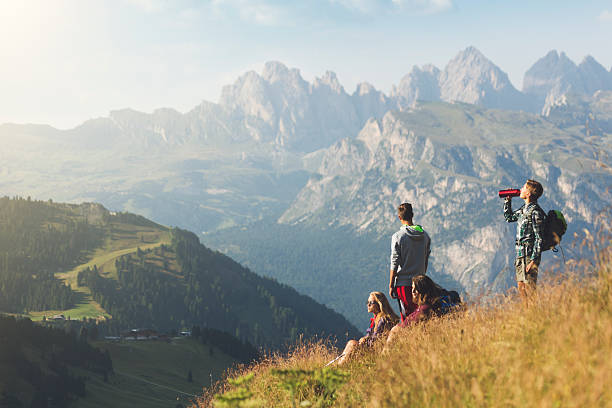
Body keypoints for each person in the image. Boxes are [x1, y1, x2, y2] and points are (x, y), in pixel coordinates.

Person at [503, 179, 545, 299]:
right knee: (521, 288)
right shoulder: (524, 209)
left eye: (524, 188)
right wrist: (508, 201)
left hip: (529, 255)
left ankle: (534, 313)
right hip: (520, 254)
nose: (520, 190)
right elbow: (509, 217)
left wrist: (533, 261)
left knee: (530, 289)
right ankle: (526, 314)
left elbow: (539, 238)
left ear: (528, 194)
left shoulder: (535, 212)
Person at [389, 203, 431, 322]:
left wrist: (391, 284)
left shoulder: (398, 236)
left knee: (407, 319)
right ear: (412, 215)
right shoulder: (425, 236)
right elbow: (426, 259)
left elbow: (394, 261)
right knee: (421, 316)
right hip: (421, 284)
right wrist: (421, 277)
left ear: (399, 217)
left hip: (403, 284)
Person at [336, 291, 399, 365]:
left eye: (371, 302)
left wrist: (364, 341)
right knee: (352, 343)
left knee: (352, 343)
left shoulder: (383, 320)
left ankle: (338, 367)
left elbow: (376, 340)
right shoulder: (376, 319)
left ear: (379, 304)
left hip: (375, 352)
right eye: (367, 302)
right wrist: (365, 338)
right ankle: (339, 366)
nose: (368, 305)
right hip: (372, 350)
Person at [385, 275, 442, 347]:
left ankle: (385, 356)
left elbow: (405, 326)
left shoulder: (424, 309)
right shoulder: (427, 305)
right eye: (412, 288)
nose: (412, 291)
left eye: (415, 289)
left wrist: (395, 330)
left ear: (423, 291)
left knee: (394, 331)